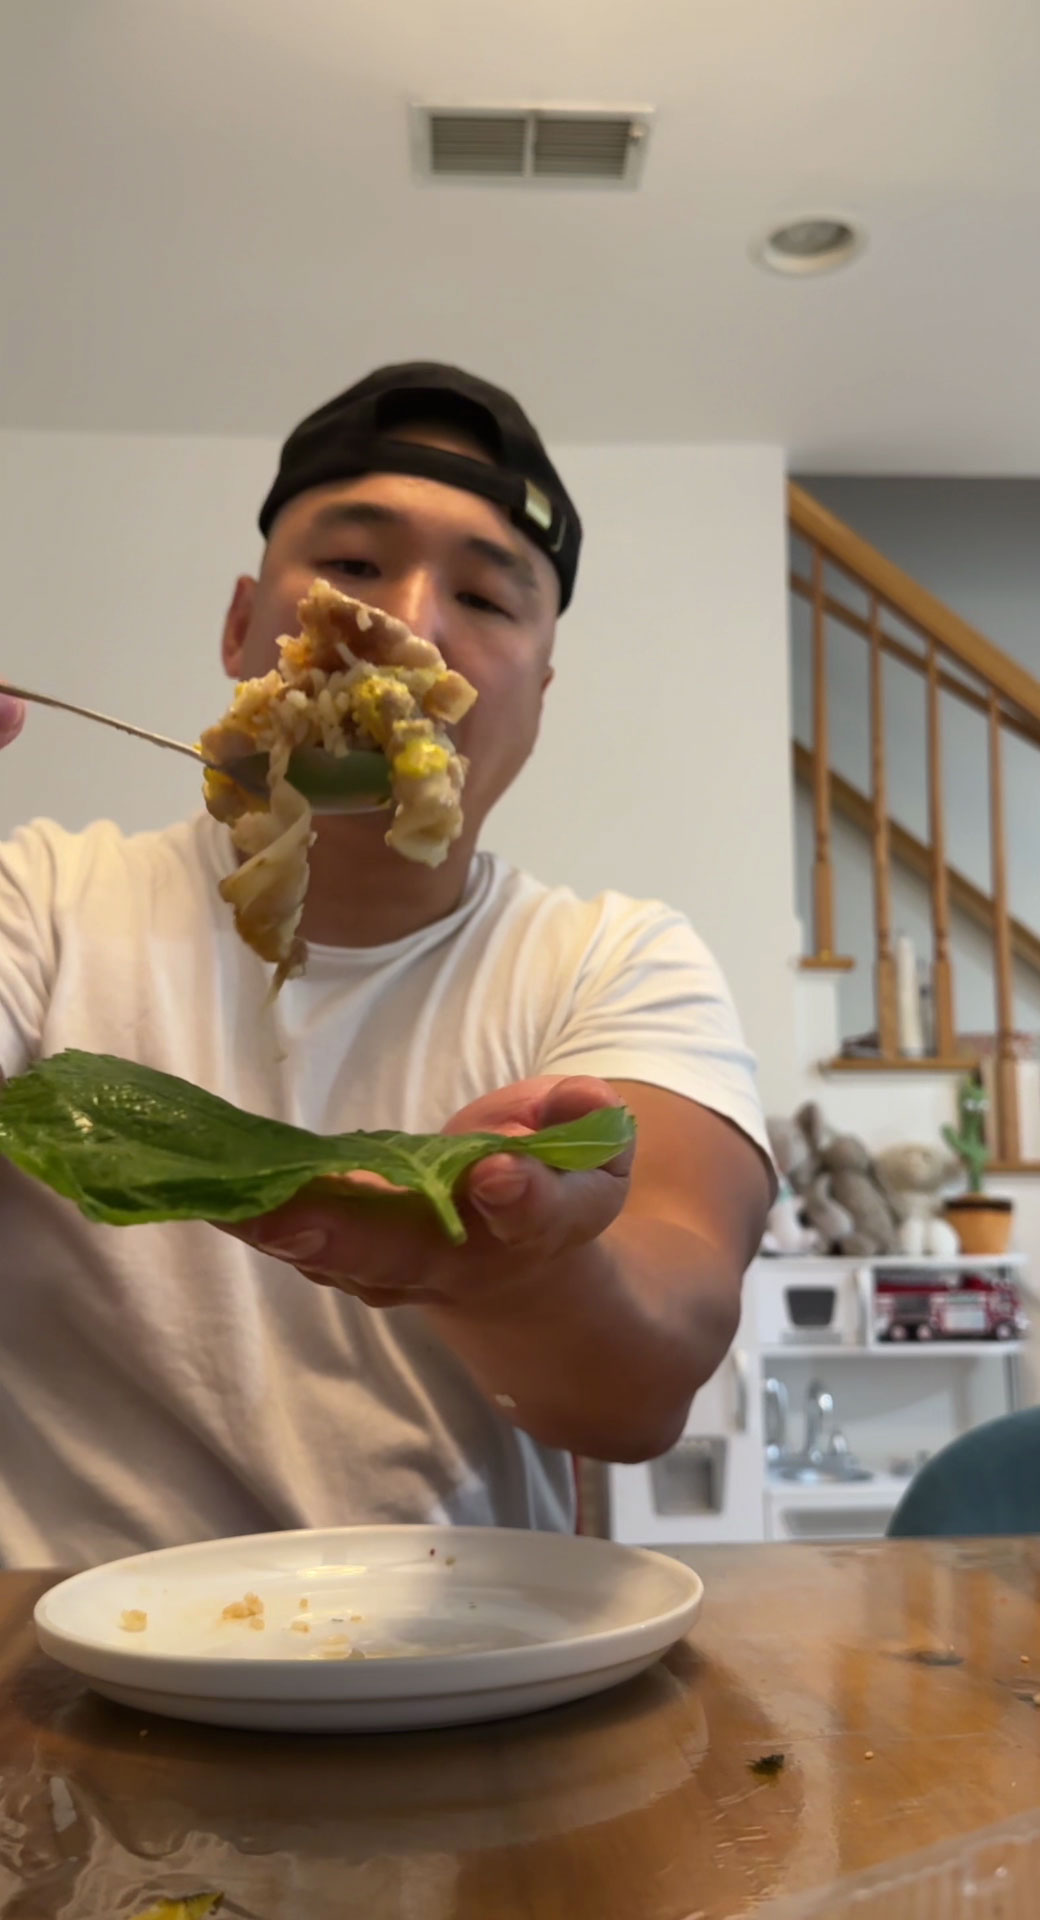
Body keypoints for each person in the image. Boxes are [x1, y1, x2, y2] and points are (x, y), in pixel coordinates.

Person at [0, 362, 773, 1569]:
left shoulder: (613, 960)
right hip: (58, 1676)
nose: (408, 624)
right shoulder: (39, 901)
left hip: (466, 1664)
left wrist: (510, 1273)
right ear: (240, 625)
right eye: (354, 568)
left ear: (540, 690)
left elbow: (645, 1386)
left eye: (486, 595)